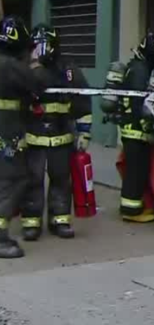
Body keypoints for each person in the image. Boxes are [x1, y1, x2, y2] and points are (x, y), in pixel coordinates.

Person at [20, 25, 92, 241]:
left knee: (61, 179)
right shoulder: (24, 69)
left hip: (62, 136)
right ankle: (31, 222)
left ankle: (60, 219)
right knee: (32, 180)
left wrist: (84, 133)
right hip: (32, 136)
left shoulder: (68, 69)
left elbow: (82, 101)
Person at [0, 16, 46, 258]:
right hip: (5, 134)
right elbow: (37, 86)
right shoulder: (11, 67)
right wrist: (36, 62)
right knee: (12, 181)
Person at [118, 31, 154, 223]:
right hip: (136, 129)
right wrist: (148, 124)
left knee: (134, 168)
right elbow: (141, 102)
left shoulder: (134, 66)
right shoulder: (141, 71)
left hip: (129, 126)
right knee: (137, 171)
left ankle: (131, 206)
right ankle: (131, 211)